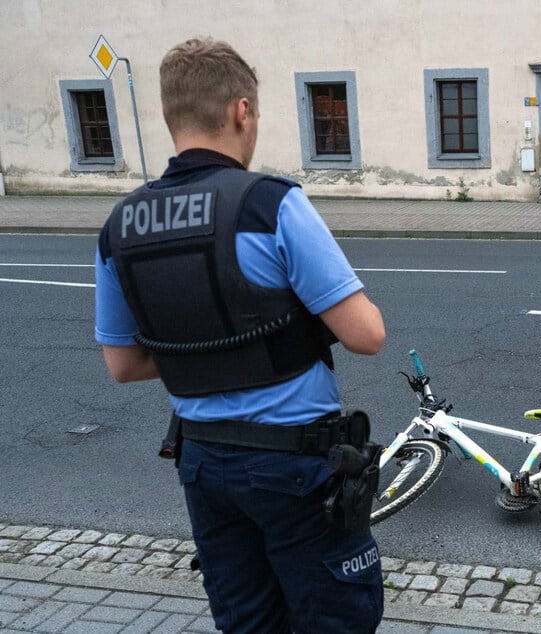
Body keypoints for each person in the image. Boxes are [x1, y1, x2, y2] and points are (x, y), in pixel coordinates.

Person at [94, 38, 386, 633]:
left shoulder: (119, 225)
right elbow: (366, 335)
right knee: (334, 618)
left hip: (202, 462)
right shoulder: (268, 204)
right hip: (292, 464)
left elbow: (123, 365)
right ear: (241, 111)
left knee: (248, 621)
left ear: (170, 115)